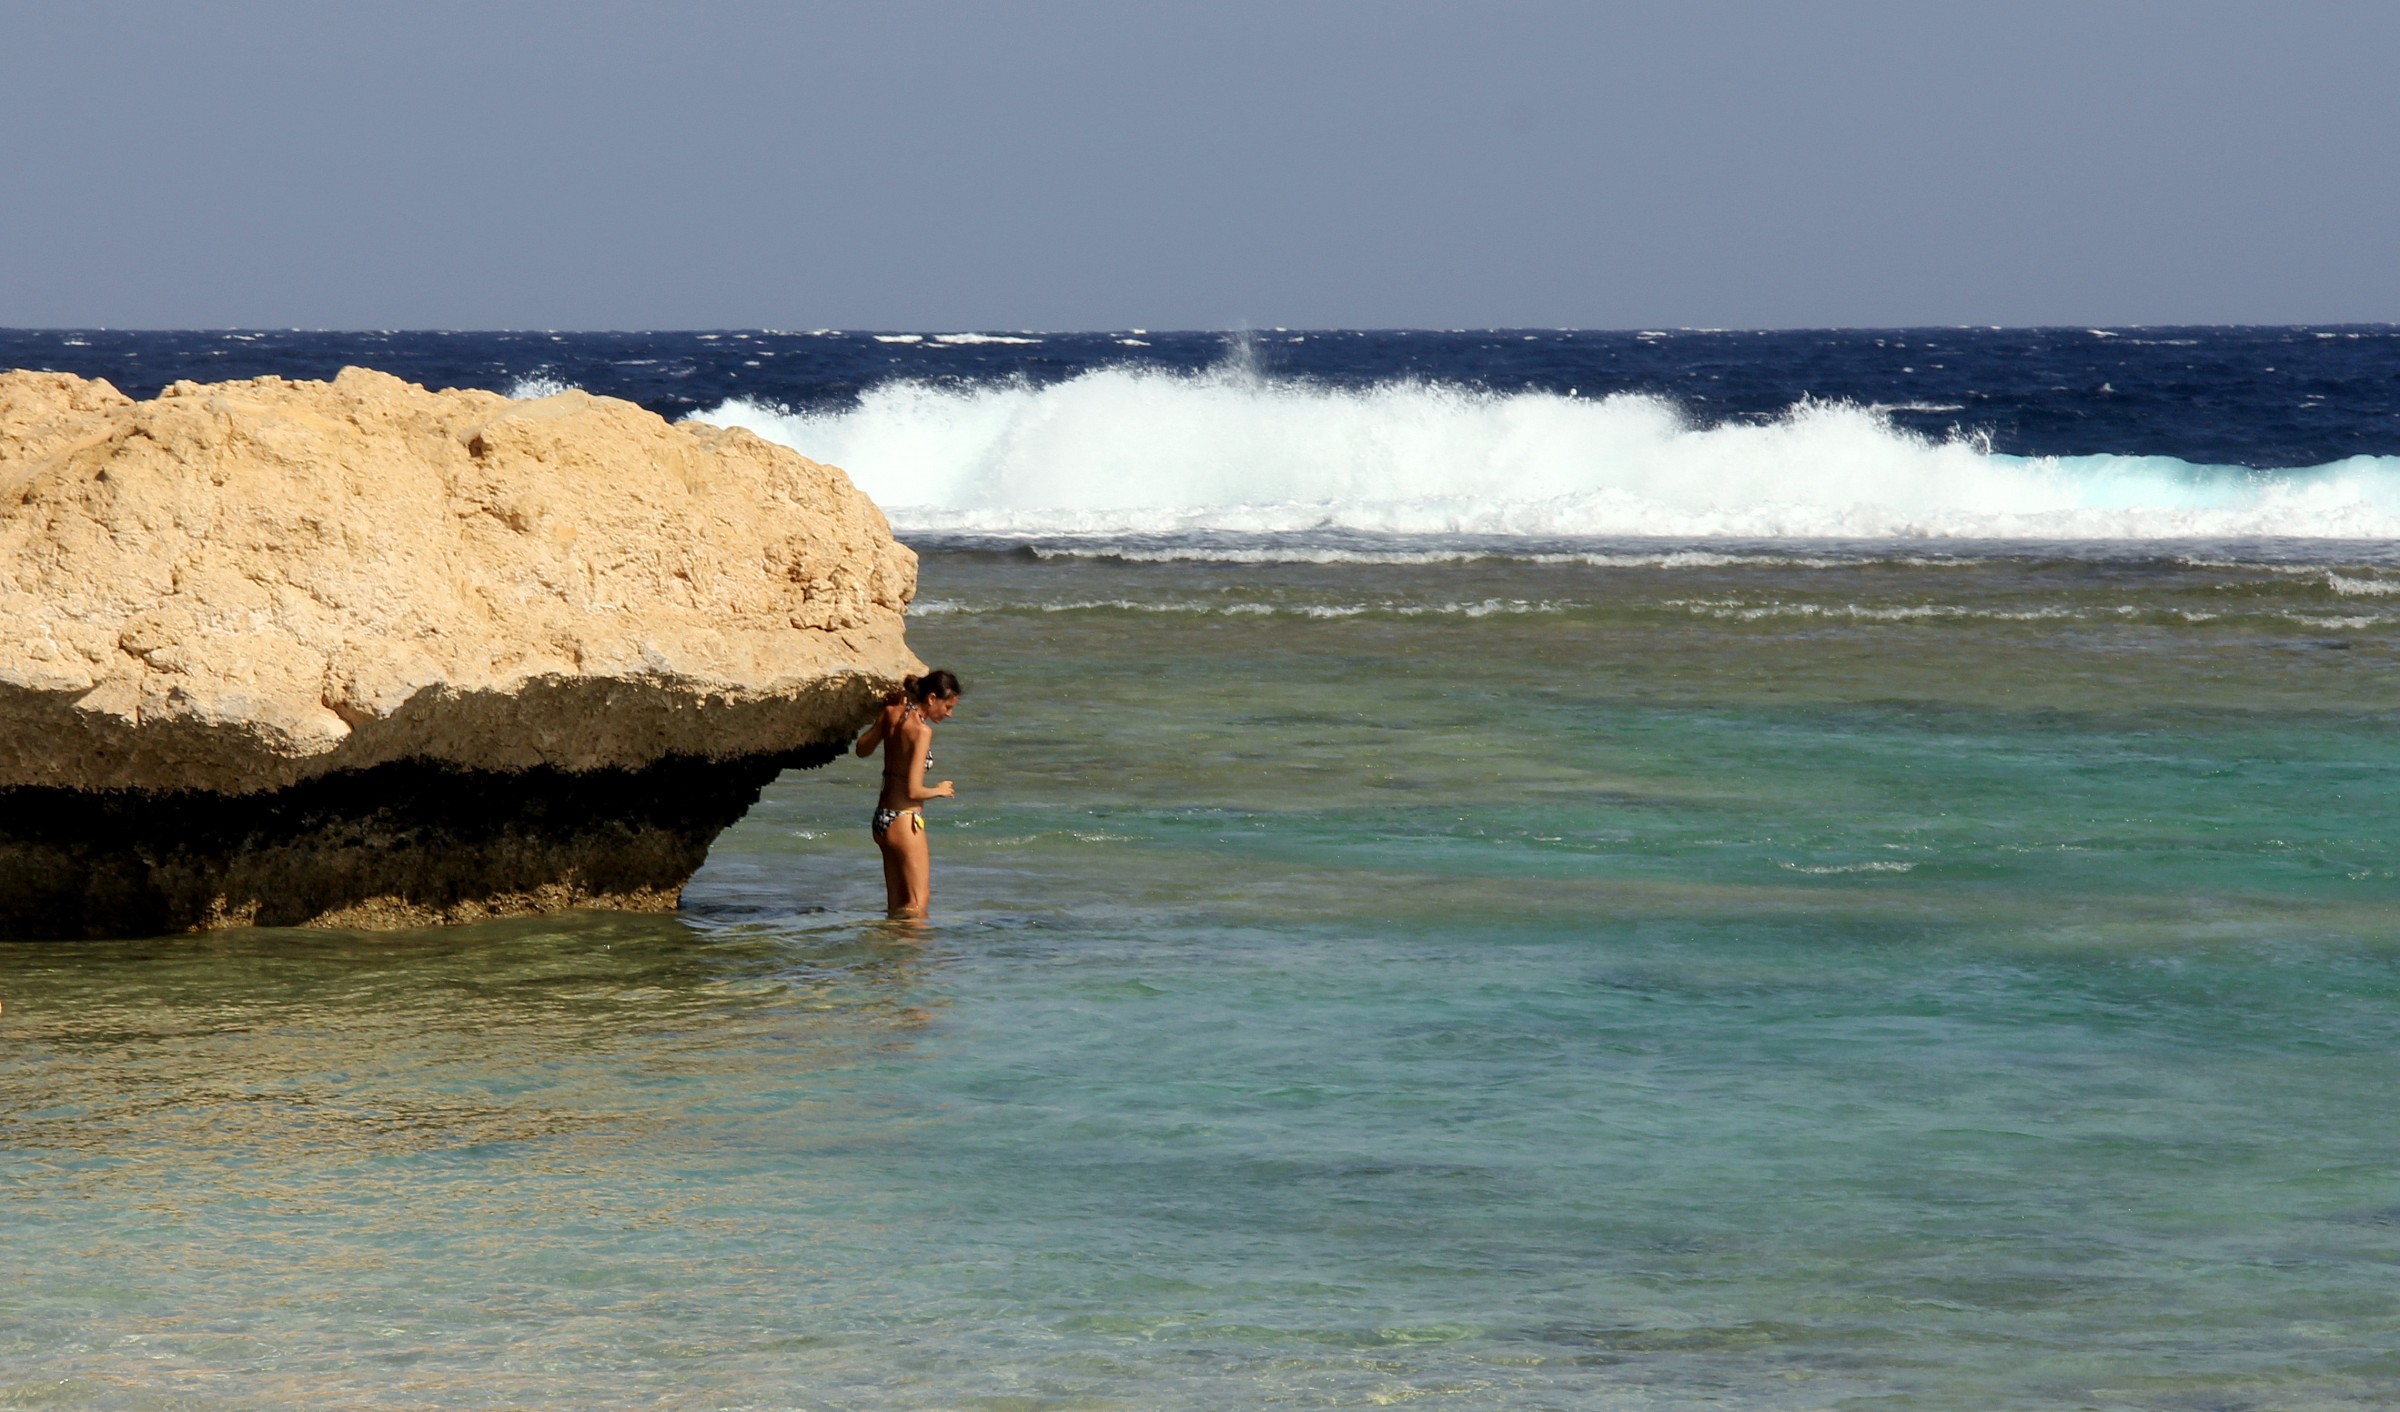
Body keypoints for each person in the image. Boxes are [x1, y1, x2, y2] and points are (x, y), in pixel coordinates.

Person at [856, 670, 962, 919]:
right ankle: (913, 956)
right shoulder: (922, 731)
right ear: (932, 698)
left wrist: (884, 716)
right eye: (947, 706)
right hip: (904, 820)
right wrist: (940, 790)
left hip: (882, 820)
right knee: (917, 903)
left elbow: (862, 749)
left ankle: (892, 953)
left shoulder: (893, 712)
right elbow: (914, 790)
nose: (949, 713)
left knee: (896, 906)